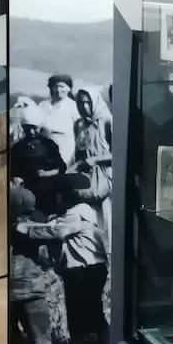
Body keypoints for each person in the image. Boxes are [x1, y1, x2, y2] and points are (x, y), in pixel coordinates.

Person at [14, 173, 109, 344]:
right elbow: (53, 224)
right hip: (92, 268)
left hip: (82, 270)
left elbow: (57, 231)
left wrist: (24, 229)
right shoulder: (79, 211)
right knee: (90, 310)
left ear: (61, 196)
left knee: (81, 312)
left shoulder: (77, 213)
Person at [9, 184, 56, 344]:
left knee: (14, 334)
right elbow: (56, 233)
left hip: (11, 291)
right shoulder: (29, 227)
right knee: (41, 333)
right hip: (31, 286)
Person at [72, 88, 113, 247]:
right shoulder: (79, 125)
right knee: (88, 222)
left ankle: (110, 257)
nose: (83, 106)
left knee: (107, 222)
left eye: (87, 102)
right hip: (85, 180)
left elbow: (120, 153)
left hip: (105, 179)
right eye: (80, 103)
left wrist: (96, 159)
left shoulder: (107, 121)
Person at [10, 104, 66, 213]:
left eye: (34, 127)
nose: (31, 131)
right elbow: (13, 170)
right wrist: (15, 178)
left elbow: (61, 167)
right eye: (28, 128)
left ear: (40, 126)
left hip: (49, 188)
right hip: (27, 191)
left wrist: (47, 173)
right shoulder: (17, 148)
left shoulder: (49, 144)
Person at [38, 74, 80, 165]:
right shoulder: (43, 105)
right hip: (45, 145)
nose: (58, 90)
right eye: (55, 87)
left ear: (69, 88)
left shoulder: (74, 106)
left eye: (62, 86)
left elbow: (79, 129)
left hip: (66, 146)